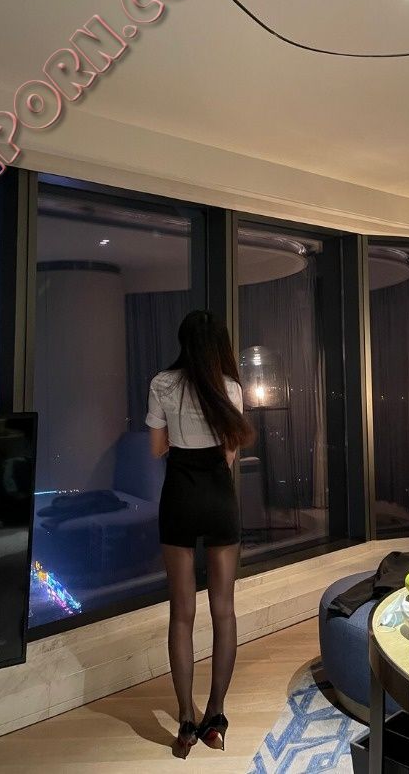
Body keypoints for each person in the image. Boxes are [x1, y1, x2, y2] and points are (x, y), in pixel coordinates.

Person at [146, 310, 254, 758]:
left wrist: (178, 442)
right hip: (218, 498)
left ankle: (185, 720)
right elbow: (229, 455)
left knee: (181, 614)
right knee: (224, 611)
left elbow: (157, 449)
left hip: (179, 498)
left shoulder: (162, 384)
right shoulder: (231, 389)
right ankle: (216, 715)